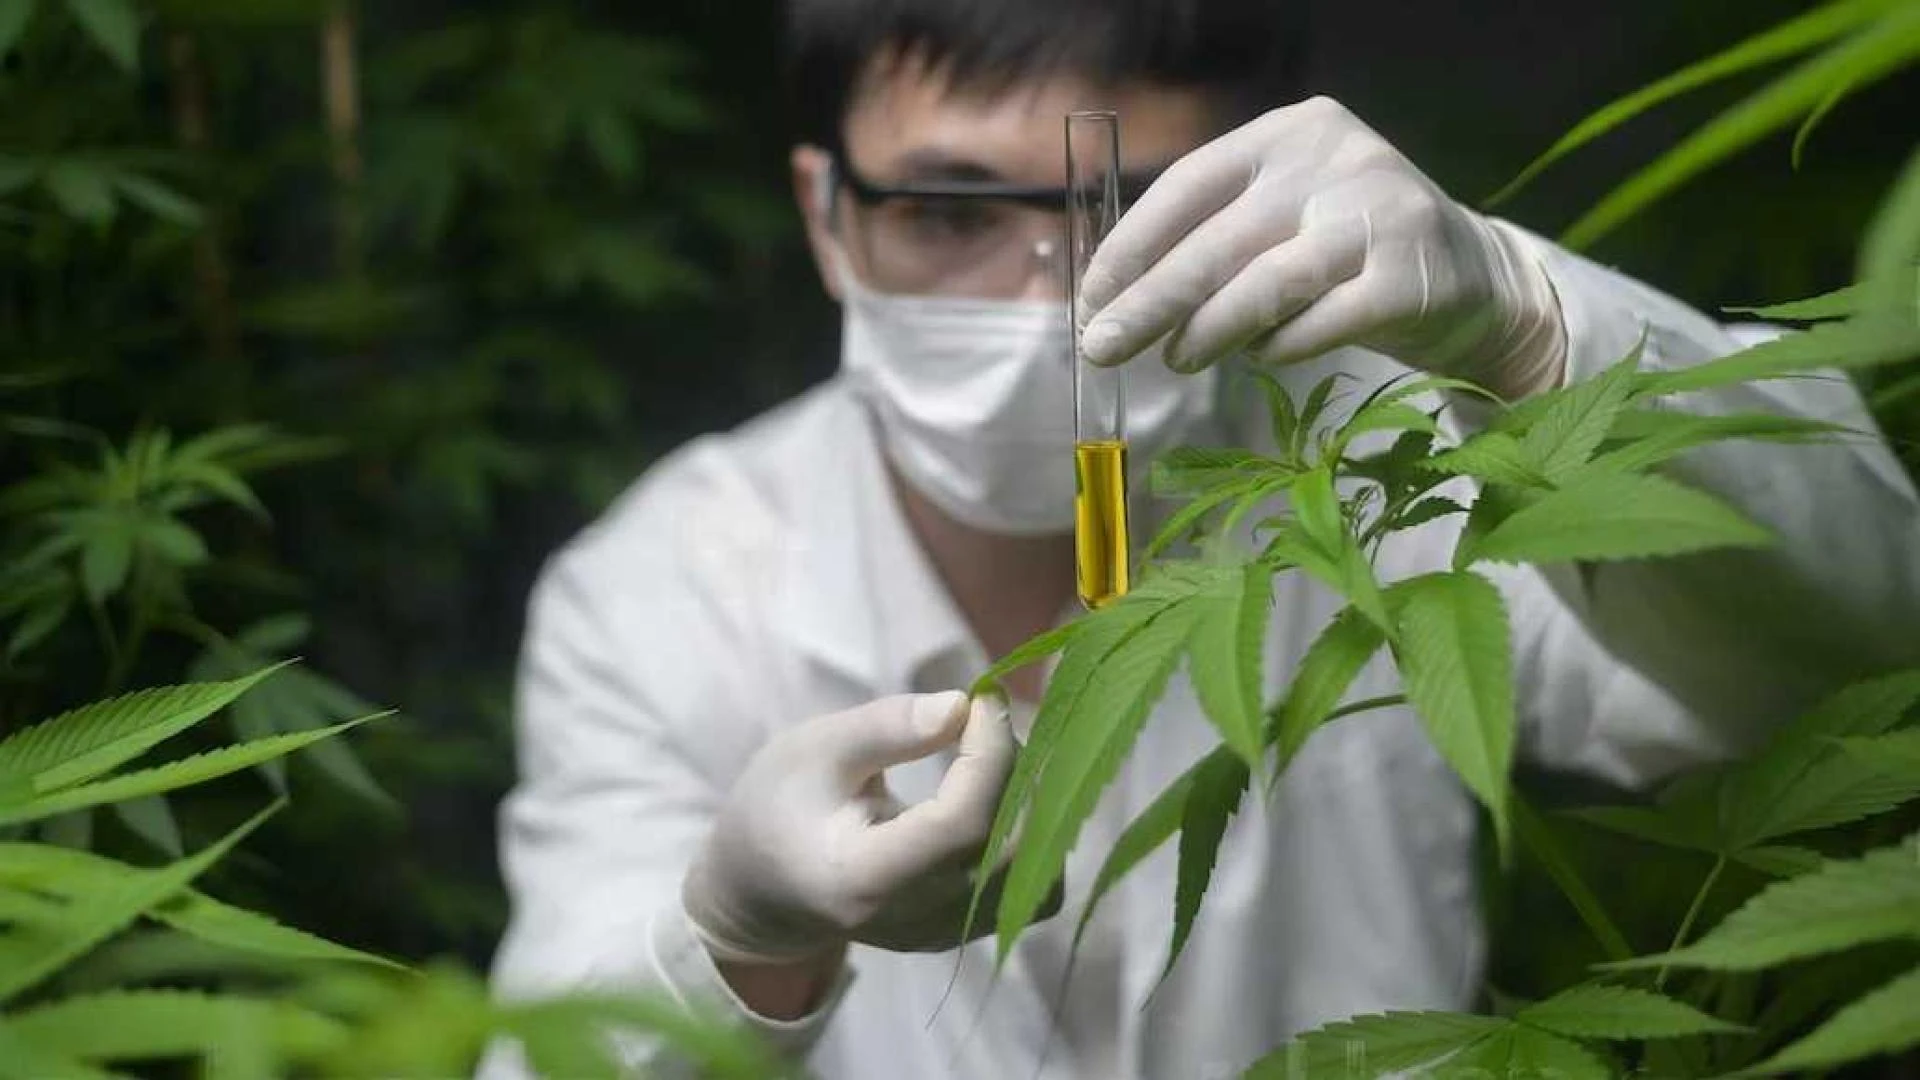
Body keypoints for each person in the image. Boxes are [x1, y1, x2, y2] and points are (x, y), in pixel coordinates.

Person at [481, 1, 1920, 1077]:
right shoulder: (664, 588)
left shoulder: (1386, 456)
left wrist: (1535, 328)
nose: (1053, 296)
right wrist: (742, 942)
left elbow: (1864, 656)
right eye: (950, 209)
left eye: (1135, 210)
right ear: (826, 213)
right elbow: (546, 1052)